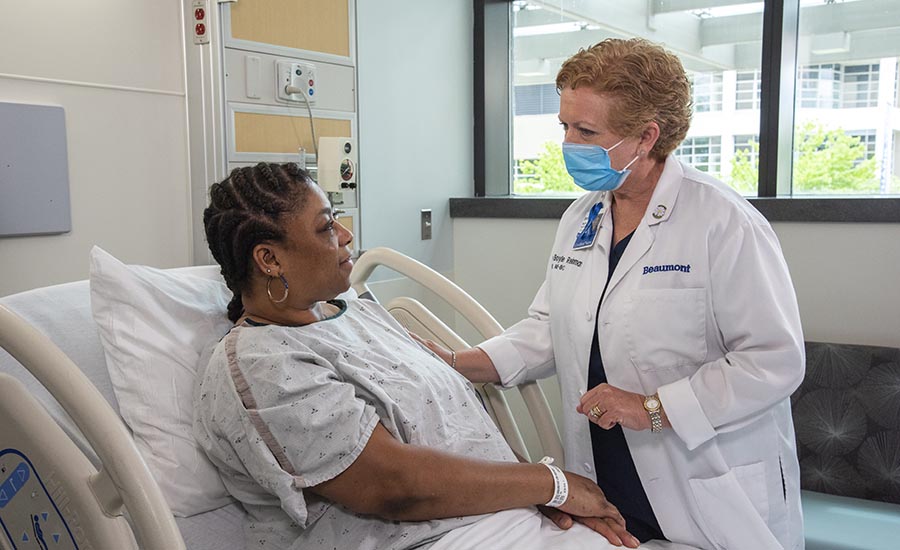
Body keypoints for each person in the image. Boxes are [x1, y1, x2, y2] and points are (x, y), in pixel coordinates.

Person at [417, 38, 805, 550]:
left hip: (704, 478)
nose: (568, 144)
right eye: (564, 127)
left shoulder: (723, 223)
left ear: (647, 136)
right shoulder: (584, 216)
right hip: (608, 469)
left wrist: (654, 408)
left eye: (586, 131)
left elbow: (774, 359)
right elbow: (550, 326)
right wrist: (458, 363)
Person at [194, 163, 697, 550]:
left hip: (498, 521)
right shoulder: (264, 364)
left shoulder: (353, 313)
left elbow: (458, 427)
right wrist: (550, 483)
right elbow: (396, 486)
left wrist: (535, 494)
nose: (346, 236)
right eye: (326, 227)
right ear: (269, 258)